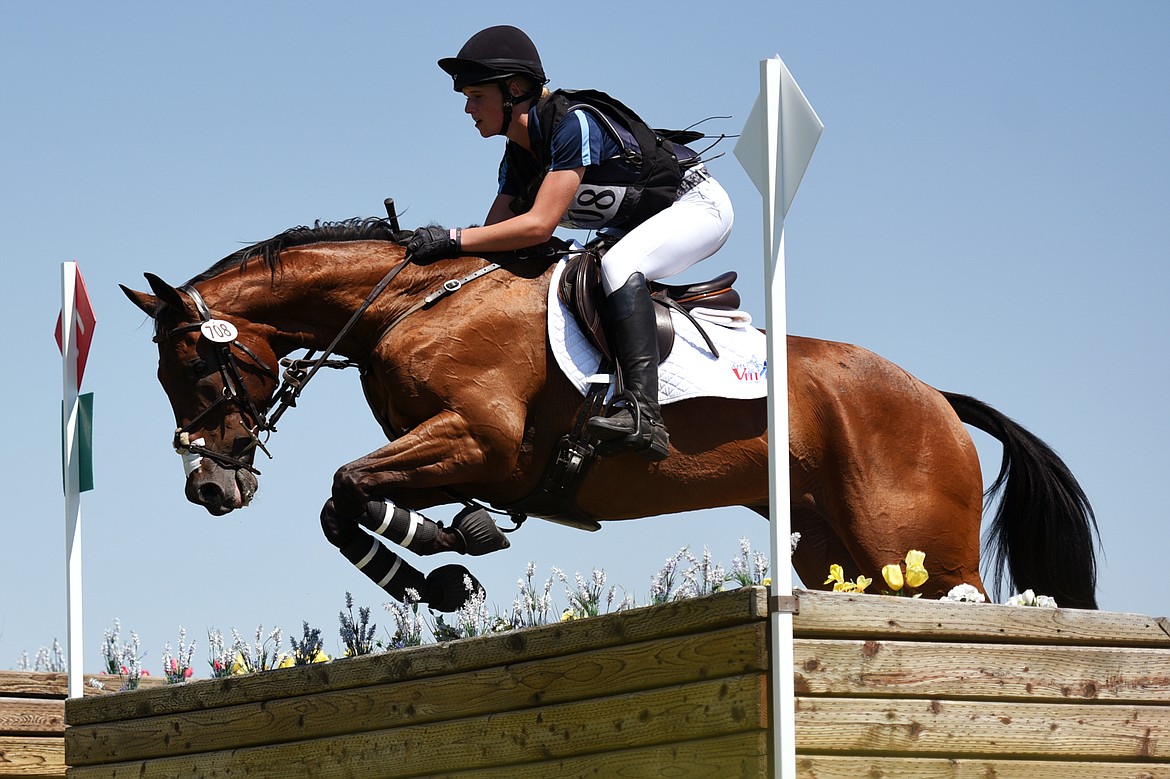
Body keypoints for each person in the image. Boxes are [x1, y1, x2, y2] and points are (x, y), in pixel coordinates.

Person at [407, 25, 734, 461]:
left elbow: (539, 226)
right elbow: (493, 241)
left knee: (619, 268)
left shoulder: (573, 123)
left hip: (695, 205)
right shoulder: (518, 157)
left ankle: (643, 415)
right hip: (636, 221)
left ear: (515, 90)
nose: (467, 108)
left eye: (476, 96)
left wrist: (449, 238)